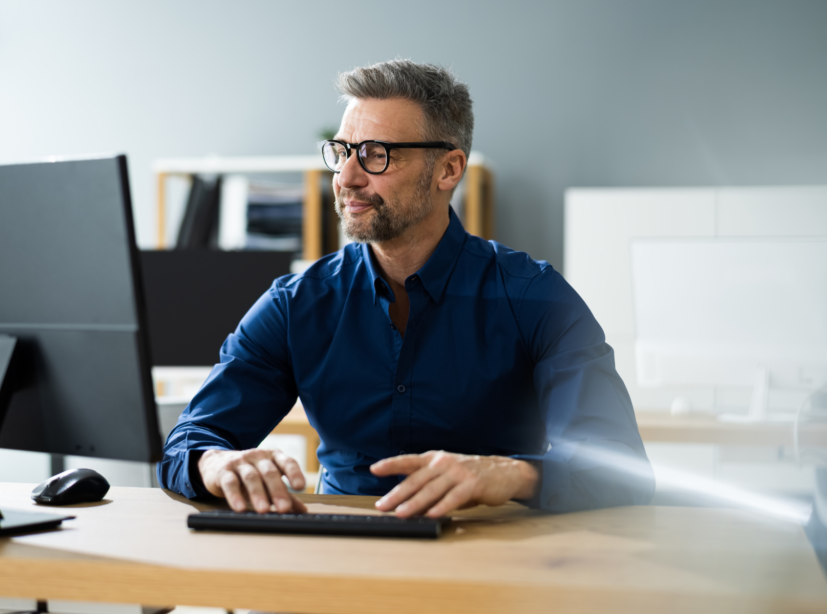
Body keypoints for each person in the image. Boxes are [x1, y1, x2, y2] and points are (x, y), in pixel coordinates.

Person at [158, 59, 654, 517]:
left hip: (488, 565)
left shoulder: (535, 298)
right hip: (338, 566)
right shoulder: (296, 304)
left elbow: (621, 471)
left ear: (449, 169)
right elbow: (188, 443)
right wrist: (216, 464)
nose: (347, 177)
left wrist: (512, 473)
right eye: (342, 152)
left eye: (376, 155)